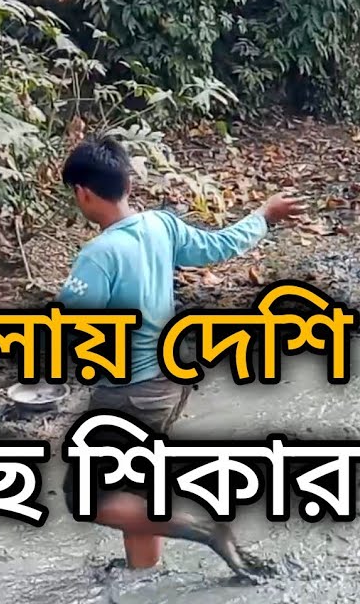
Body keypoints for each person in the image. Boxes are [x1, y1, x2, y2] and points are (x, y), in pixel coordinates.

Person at [54, 136, 304, 576]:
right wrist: (264, 216)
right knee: (134, 485)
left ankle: (206, 529)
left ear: (83, 193)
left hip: (130, 394)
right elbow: (220, 246)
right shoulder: (161, 226)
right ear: (128, 184)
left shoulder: (97, 256)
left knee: (89, 500)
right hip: (171, 383)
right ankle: (145, 577)